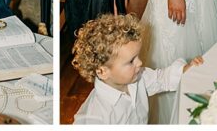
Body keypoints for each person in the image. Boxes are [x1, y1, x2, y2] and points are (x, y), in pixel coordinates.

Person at [72, 14, 203, 124]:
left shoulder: (138, 77)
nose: (139, 63)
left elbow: (161, 79)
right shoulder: (95, 117)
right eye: (131, 61)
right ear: (103, 71)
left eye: (137, 57)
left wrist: (185, 69)